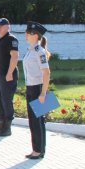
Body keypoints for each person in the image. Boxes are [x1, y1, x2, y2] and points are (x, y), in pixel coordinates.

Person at [23, 22, 51, 159]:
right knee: (34, 120)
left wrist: (43, 93)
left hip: (37, 88)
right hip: (30, 87)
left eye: (28, 32)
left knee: (37, 120)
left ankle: (38, 150)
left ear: (35, 35)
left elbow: (46, 73)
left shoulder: (39, 52)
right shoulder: (31, 50)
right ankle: (38, 149)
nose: (26, 35)